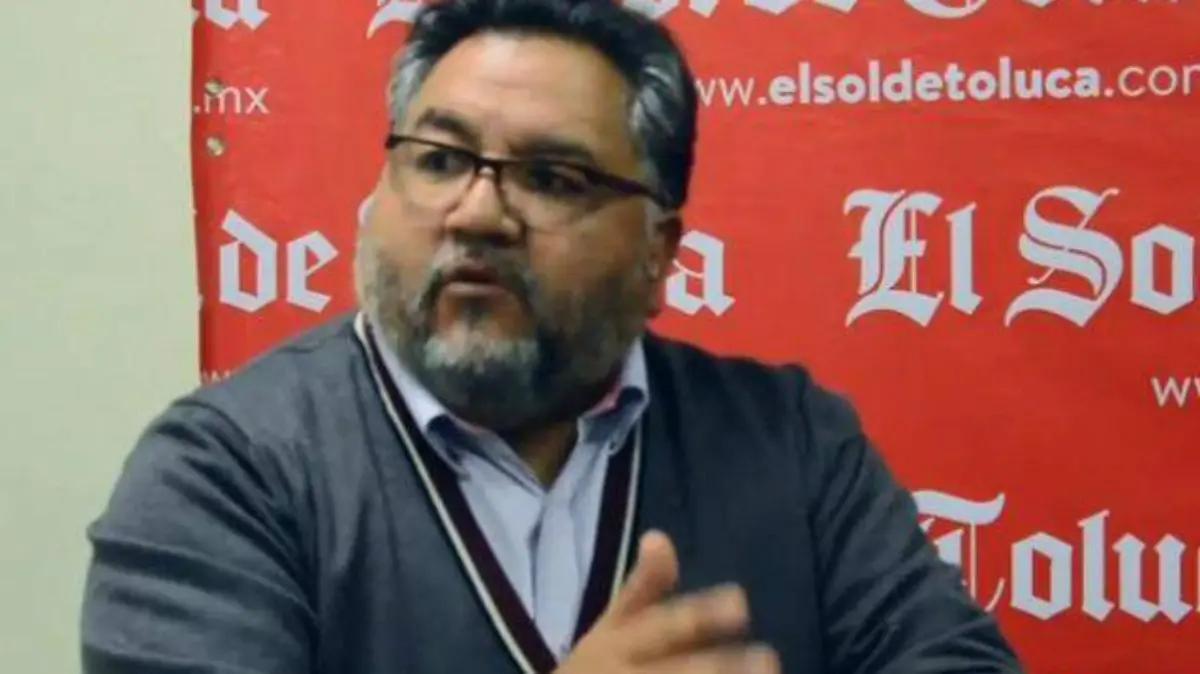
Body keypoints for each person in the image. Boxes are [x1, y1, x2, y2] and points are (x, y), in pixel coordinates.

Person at [81, 0, 1025, 672]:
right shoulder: (228, 472)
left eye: (551, 178)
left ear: (658, 251)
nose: (477, 213)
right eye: (439, 159)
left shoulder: (790, 443)